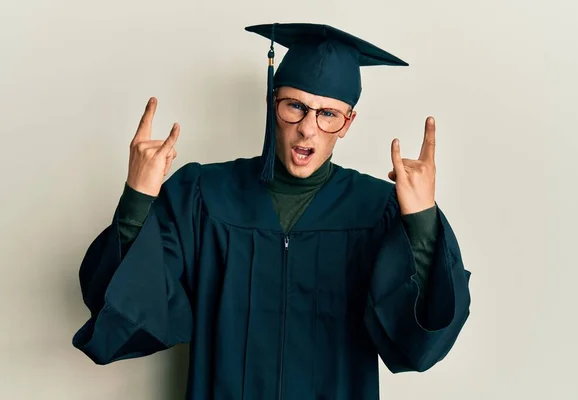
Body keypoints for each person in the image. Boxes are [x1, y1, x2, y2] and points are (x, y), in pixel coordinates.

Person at [72, 22, 471, 400]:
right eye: (294, 106)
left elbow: (419, 341)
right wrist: (138, 197)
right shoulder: (203, 196)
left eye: (328, 113)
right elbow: (127, 305)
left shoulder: (378, 209)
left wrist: (421, 222)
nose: (308, 128)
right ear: (271, 103)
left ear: (348, 122)